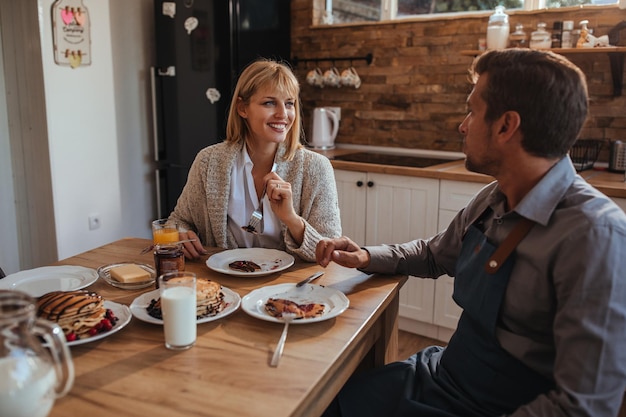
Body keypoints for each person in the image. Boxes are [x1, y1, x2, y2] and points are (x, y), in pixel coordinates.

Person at [315, 49, 626, 417]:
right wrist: (366, 256)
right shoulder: (494, 198)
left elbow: (582, 406)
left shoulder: (595, 236)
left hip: (497, 408)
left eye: (472, 111)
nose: (463, 125)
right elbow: (434, 254)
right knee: (322, 402)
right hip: (441, 376)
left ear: (506, 126)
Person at [169, 58, 342, 262]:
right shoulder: (208, 162)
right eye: (269, 103)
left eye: (289, 103)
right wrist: (179, 234)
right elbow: (178, 220)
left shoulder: (316, 168)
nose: (283, 114)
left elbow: (330, 251)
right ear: (242, 108)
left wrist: (291, 219)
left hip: (288, 290)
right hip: (224, 287)